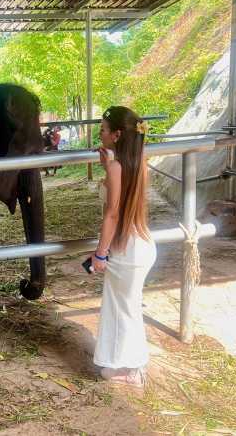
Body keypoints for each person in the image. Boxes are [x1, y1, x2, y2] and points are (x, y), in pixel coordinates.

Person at [89, 106, 156, 387]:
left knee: (125, 309)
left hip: (126, 250)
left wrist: (100, 253)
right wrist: (108, 168)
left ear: (116, 135)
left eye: (103, 129)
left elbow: (113, 214)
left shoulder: (118, 167)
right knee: (123, 307)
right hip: (138, 245)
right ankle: (124, 362)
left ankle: (135, 367)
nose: (100, 134)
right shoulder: (138, 161)